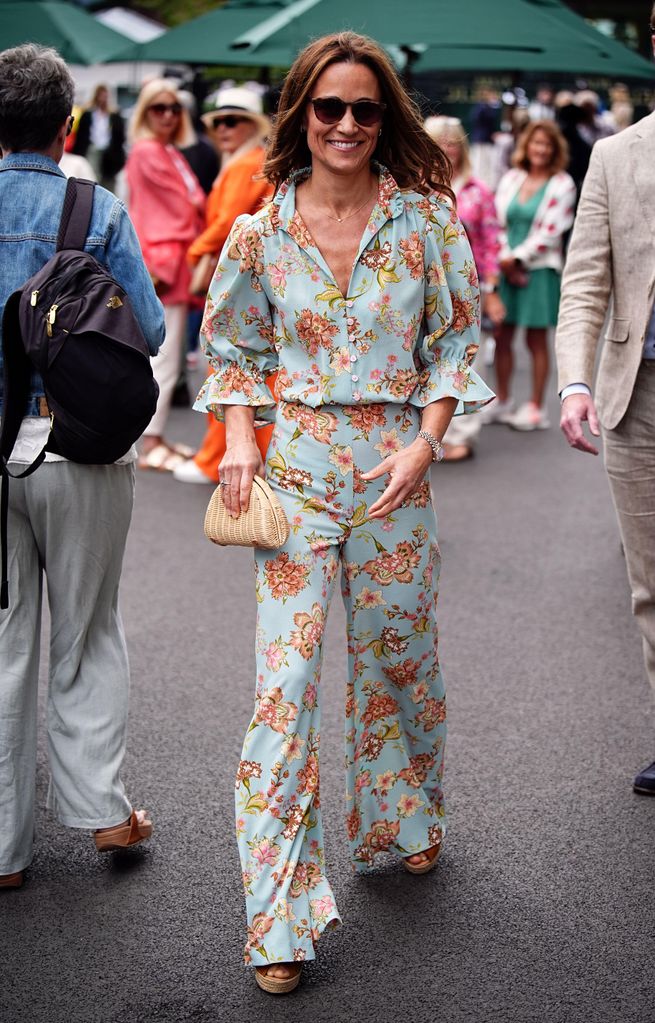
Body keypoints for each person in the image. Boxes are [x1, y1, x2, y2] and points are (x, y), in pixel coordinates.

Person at [194, 30, 493, 993]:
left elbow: (455, 340)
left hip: (396, 466)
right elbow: (232, 349)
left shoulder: (426, 222)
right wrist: (240, 436)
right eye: (330, 108)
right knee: (284, 691)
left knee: (397, 654)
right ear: (301, 115)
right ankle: (276, 920)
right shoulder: (257, 229)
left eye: (366, 108)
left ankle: (403, 813)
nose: (348, 124)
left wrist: (426, 438)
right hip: (294, 471)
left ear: (386, 117)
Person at [0, 44, 165, 890]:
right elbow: (151, 329)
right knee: (88, 631)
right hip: (76, 446)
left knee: (2, 643)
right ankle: (102, 813)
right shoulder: (93, 207)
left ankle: (1, 848)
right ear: (67, 126)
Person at [555, 9, 655, 796]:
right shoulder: (615, 157)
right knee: (650, 582)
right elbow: (585, 278)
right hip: (639, 396)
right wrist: (575, 378)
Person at [175, 87, 275, 485]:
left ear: (253, 125)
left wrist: (196, 250)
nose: (223, 128)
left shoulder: (247, 163)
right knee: (245, 370)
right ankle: (230, 455)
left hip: (238, 281)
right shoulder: (248, 161)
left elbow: (227, 221)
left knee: (229, 367)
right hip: (248, 279)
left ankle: (215, 458)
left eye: (233, 120)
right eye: (218, 121)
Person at [126, 79, 206, 472]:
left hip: (169, 256)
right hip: (164, 258)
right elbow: (182, 207)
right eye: (159, 107)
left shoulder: (166, 151)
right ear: (145, 112)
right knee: (165, 354)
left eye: (174, 108)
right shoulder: (148, 152)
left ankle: (154, 436)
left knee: (169, 353)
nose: (169, 115)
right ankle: (151, 438)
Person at [424, 116, 504, 460]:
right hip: (426, 282)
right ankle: (427, 434)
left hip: (465, 285)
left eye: (453, 141)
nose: (447, 148)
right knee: (425, 355)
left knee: (467, 354)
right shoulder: (414, 188)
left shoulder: (476, 189)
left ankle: (463, 432)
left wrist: (491, 288)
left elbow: (489, 241)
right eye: (439, 141)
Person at [489, 120, 575, 431]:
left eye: (547, 145)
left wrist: (518, 259)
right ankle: (503, 400)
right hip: (504, 267)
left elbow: (551, 231)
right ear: (527, 146)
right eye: (536, 143)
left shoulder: (563, 183)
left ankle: (536, 407)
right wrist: (503, 260)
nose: (541, 149)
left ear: (554, 150)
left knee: (536, 339)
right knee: (502, 336)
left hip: (538, 270)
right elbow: (495, 221)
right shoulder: (512, 177)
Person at [71, 83, 125, 193]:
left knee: (108, 181)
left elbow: (119, 136)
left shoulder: (113, 115)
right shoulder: (88, 113)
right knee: (92, 177)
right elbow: (81, 134)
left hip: (109, 152)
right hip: (92, 149)